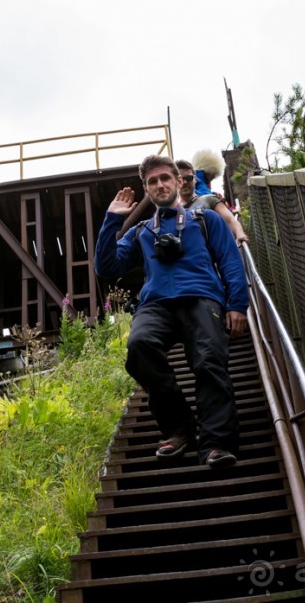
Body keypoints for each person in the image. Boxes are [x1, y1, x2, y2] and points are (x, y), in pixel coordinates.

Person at [94, 155, 249, 468]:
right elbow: (106, 266)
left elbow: (231, 261)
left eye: (165, 178)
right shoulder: (141, 231)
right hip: (156, 304)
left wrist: (237, 305)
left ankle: (216, 443)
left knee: (209, 362)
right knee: (139, 347)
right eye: (152, 181)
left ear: (179, 182)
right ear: (147, 190)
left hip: (202, 298)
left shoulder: (206, 220)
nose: (159, 185)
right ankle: (178, 430)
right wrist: (112, 219)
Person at [177, 156, 249, 245]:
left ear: (195, 179)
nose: (184, 182)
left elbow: (231, 220)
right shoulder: (172, 210)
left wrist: (240, 233)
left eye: (188, 178)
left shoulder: (209, 199)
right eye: (180, 179)